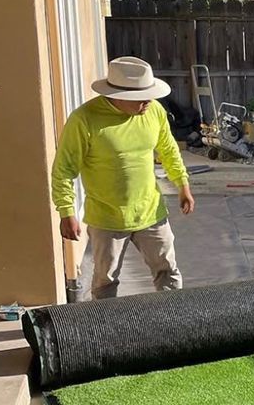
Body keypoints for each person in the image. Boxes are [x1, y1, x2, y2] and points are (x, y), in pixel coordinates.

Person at [51, 56, 195, 299]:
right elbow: (63, 169)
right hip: (107, 218)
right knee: (105, 281)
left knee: (168, 272)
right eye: (141, 98)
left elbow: (168, 150)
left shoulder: (154, 111)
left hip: (151, 213)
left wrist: (183, 185)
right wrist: (66, 212)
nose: (148, 102)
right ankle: (105, 321)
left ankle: (172, 316)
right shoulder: (84, 120)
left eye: (149, 96)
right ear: (118, 96)